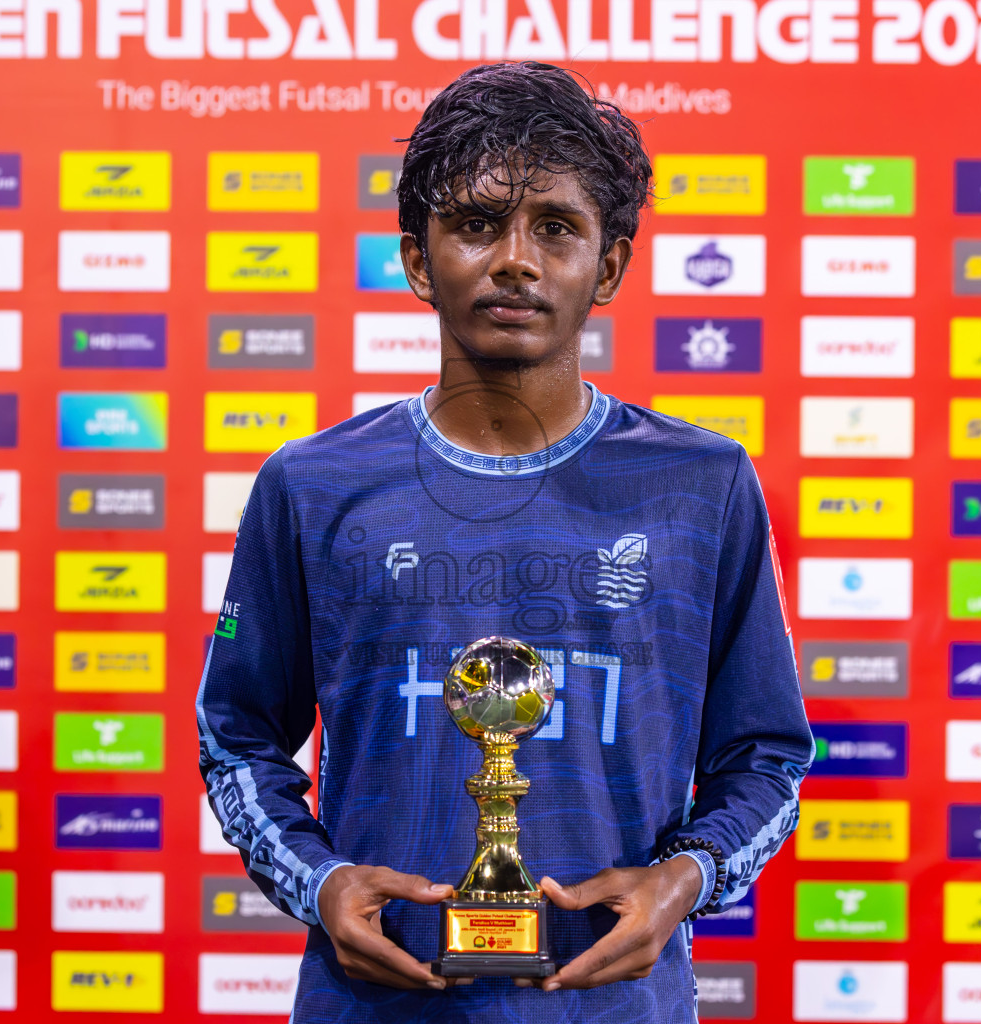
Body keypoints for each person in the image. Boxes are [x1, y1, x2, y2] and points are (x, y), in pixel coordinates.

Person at [197, 60, 813, 1023]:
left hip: (614, 1008)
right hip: (377, 1006)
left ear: (607, 267)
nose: (515, 260)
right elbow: (235, 740)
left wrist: (684, 881)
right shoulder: (312, 486)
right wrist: (319, 883)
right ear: (416, 258)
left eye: (556, 228)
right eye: (477, 224)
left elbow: (767, 757)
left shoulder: (703, 485)